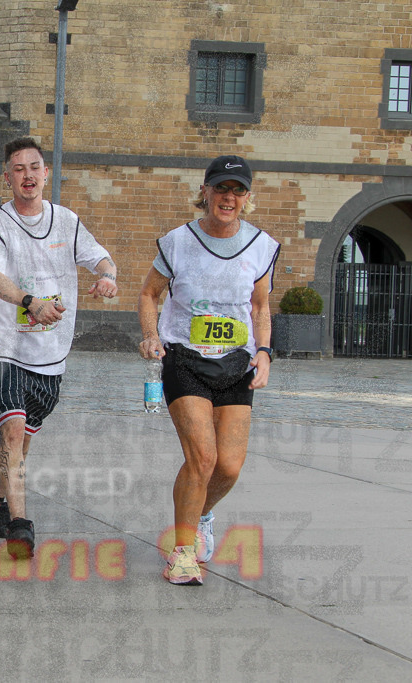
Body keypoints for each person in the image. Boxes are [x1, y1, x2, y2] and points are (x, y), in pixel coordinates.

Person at [138, 155, 280, 585]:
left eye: (237, 190)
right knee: (202, 458)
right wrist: (151, 334)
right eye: (221, 188)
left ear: (247, 198)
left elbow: (259, 306)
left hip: (237, 363)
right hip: (185, 360)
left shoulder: (261, 246)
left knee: (229, 467)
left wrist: (265, 351)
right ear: (205, 192)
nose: (228, 197)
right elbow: (149, 294)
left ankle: (200, 517)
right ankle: (182, 554)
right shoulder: (178, 242)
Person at [0, 137, 118, 559]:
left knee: (21, 440)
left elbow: (100, 257)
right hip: (4, 349)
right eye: (18, 169)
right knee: (14, 429)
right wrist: (29, 303)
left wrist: (108, 276)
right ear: (7, 178)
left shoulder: (66, 220)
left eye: (34, 167)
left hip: (49, 353)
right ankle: (20, 525)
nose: (28, 176)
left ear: (46, 173)